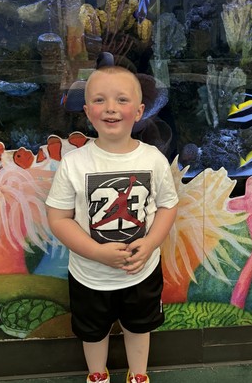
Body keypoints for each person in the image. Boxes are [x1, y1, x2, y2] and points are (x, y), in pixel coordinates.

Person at [46, 65, 179, 383]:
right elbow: (58, 218)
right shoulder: (73, 163)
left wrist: (150, 243)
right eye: (99, 100)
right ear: (87, 111)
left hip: (142, 272)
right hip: (89, 276)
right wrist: (96, 252)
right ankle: (97, 375)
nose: (110, 108)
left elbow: (167, 205)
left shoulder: (154, 159)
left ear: (139, 111)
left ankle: (138, 375)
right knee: (92, 332)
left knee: (139, 327)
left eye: (121, 99)